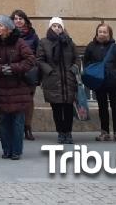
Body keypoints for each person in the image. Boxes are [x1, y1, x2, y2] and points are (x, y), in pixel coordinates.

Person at [0, 15, 36, 160]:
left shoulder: (19, 43)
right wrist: (0, 68)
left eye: (1, 26)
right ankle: (6, 149)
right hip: (1, 88)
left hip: (18, 88)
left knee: (17, 122)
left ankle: (16, 151)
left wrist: (14, 68)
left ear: (8, 28)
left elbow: (30, 59)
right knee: (3, 122)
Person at [83, 22, 116, 143]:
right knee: (102, 108)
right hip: (99, 83)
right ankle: (104, 132)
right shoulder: (91, 47)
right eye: (100, 31)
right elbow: (86, 62)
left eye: (105, 32)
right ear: (97, 33)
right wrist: (92, 74)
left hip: (113, 83)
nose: (102, 34)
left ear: (109, 34)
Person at [36, 17, 78, 145]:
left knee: (69, 108)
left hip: (68, 80)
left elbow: (76, 59)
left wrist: (73, 69)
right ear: (50, 27)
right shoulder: (44, 42)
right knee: (57, 109)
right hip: (53, 80)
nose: (57, 28)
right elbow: (40, 59)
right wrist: (49, 71)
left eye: (59, 26)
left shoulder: (69, 42)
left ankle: (68, 133)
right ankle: (60, 132)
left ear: (63, 28)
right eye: (54, 26)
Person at [12, 9, 39, 141]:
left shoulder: (33, 36)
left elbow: (38, 54)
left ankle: (27, 128)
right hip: (14, 72)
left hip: (29, 72)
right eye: (15, 19)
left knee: (28, 101)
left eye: (20, 18)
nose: (18, 21)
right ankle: (16, 128)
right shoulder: (9, 34)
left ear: (25, 20)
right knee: (14, 100)